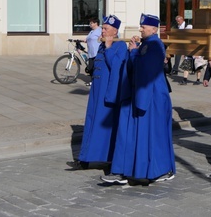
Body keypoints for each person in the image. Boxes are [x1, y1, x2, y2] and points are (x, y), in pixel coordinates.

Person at [102, 14, 175, 185]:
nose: (140, 29)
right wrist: (134, 50)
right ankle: (124, 170)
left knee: (153, 136)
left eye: (144, 27)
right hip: (139, 94)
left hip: (151, 97)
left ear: (154, 29)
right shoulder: (147, 44)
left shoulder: (155, 46)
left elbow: (145, 69)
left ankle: (159, 169)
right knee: (130, 133)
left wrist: (133, 52)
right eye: (141, 26)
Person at [69, 15, 127, 170]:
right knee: (92, 121)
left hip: (108, 90)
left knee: (104, 125)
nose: (102, 31)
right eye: (102, 28)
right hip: (96, 89)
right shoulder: (103, 44)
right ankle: (85, 157)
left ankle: (108, 158)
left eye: (106, 29)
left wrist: (108, 48)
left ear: (114, 32)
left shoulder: (119, 46)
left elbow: (116, 66)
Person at [84, 18, 102, 86]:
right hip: (91, 52)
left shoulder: (99, 30)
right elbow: (87, 38)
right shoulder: (91, 31)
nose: (90, 24)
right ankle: (93, 80)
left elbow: (102, 39)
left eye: (91, 23)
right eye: (90, 23)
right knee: (91, 67)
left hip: (96, 52)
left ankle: (94, 81)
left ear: (96, 23)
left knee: (93, 67)